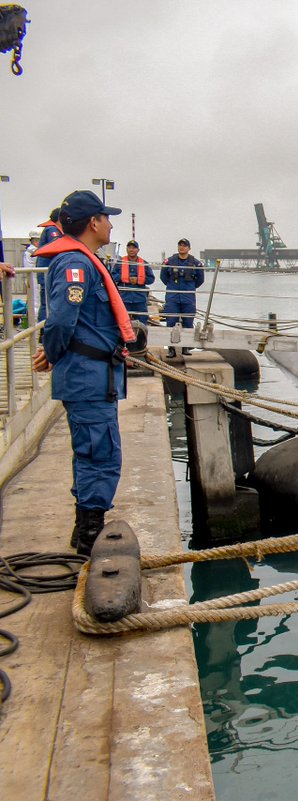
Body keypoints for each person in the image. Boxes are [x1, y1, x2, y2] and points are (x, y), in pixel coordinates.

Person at [31, 190, 135, 556]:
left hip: (94, 375)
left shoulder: (83, 261)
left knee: (93, 451)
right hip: (87, 376)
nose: (110, 224)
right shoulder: (76, 264)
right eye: (107, 217)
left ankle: (84, 532)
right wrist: (53, 353)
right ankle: (90, 538)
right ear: (93, 222)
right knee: (99, 453)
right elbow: (61, 320)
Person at [162, 238, 205, 357]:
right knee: (171, 322)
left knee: (188, 322)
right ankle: (171, 349)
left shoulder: (196, 263)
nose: (182, 247)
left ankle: (186, 347)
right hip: (173, 297)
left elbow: (200, 280)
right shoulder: (170, 261)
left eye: (184, 245)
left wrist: (189, 288)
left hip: (188, 297)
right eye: (180, 245)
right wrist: (172, 287)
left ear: (189, 248)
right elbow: (163, 276)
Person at [110, 239, 156, 325]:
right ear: (127, 249)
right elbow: (112, 276)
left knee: (142, 323)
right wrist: (125, 278)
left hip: (139, 299)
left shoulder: (144, 264)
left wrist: (138, 280)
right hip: (124, 298)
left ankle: (141, 337)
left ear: (138, 250)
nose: (131, 250)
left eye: (134, 248)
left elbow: (151, 279)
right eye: (129, 247)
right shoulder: (120, 263)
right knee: (121, 322)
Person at [35, 207, 64, 323]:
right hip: (46, 271)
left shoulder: (51, 229)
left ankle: (44, 327)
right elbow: (57, 245)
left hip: (48, 271)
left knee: (47, 301)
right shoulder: (52, 230)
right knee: (46, 302)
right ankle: (44, 328)